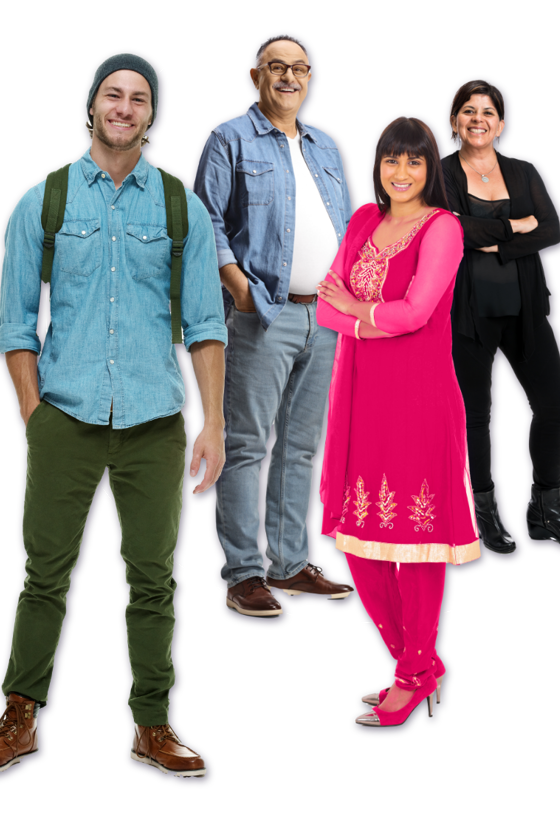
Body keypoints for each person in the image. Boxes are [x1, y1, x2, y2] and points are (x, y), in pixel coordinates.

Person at [0, 53, 227, 779]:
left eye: (139, 98)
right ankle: (19, 717)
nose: (125, 106)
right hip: (66, 416)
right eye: (113, 95)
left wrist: (215, 422)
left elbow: (206, 324)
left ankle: (153, 724)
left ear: (149, 116)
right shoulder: (43, 203)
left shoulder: (179, 207)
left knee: (152, 577)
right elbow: (15, 323)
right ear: (92, 109)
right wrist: (33, 413)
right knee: (44, 573)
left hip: (153, 419)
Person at [316, 118, 480, 728]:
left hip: (418, 399)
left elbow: (415, 314)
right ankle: (417, 665)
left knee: (414, 541)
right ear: (380, 164)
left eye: (414, 161)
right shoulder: (363, 221)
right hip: (359, 396)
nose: (401, 173)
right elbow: (324, 309)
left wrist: (356, 310)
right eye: (391, 160)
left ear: (429, 167)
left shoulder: (443, 228)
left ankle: (413, 675)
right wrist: (361, 318)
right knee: (359, 540)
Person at [194, 35, 354, 618]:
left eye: (300, 68)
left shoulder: (324, 147)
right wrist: (238, 288)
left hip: (326, 315)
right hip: (265, 311)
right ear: (257, 74)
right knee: (246, 444)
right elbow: (205, 218)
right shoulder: (230, 140)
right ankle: (244, 573)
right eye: (278, 67)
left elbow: (343, 223)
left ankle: (290, 564)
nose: (290, 77)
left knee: (302, 446)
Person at [442, 80, 560, 553]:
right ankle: (484, 513)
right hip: (467, 314)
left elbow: (550, 229)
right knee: (475, 415)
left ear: (500, 123)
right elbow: (449, 229)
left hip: (524, 308)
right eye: (468, 111)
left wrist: (494, 243)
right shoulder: (441, 175)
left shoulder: (524, 172)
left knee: (555, 403)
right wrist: (512, 226)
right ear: (455, 122)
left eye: (487, 111)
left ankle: (545, 508)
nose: (478, 119)